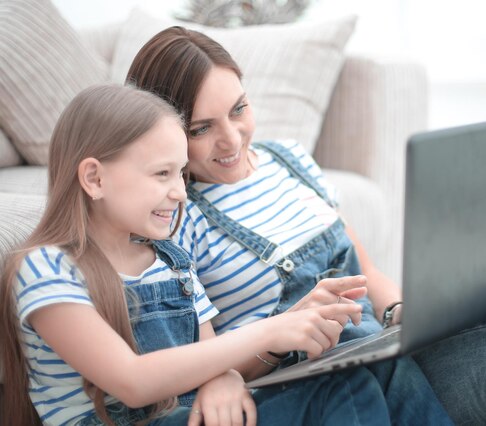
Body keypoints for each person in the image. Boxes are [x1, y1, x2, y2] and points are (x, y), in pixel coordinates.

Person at [126, 26, 486, 425]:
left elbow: (364, 267)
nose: (232, 139)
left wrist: (402, 313)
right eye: (201, 129)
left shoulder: (289, 160)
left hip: (383, 345)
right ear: (162, 131)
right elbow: (192, 358)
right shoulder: (174, 214)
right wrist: (260, 351)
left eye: (239, 109)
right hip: (320, 383)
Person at [0, 84, 445, 426]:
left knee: (364, 361)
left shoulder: (171, 260)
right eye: (160, 174)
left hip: (191, 414)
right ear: (94, 178)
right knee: (338, 392)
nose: (178, 192)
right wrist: (270, 331)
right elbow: (133, 383)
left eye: (180, 172)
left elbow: (209, 354)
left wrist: (225, 376)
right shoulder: (46, 268)